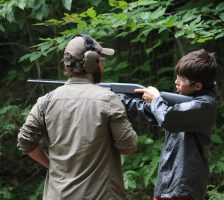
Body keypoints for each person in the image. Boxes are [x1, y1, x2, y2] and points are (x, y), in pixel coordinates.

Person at [17, 34, 138, 200]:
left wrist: (50, 165)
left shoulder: (46, 101)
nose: (103, 63)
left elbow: (25, 141)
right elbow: (129, 146)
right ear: (91, 61)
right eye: (101, 58)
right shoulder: (108, 99)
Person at [119, 49, 217, 200]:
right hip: (169, 184)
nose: (176, 82)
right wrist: (115, 98)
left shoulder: (205, 105)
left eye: (181, 79)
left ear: (197, 86)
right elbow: (147, 110)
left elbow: (167, 118)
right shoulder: (184, 100)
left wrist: (156, 99)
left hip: (183, 188)